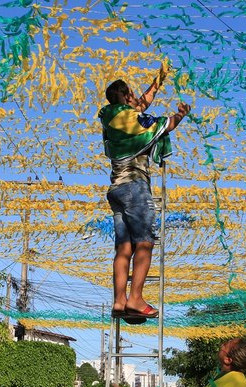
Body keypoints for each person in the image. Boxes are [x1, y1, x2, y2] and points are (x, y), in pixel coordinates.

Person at [98, 62, 191, 320]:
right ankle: (136, 299)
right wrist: (180, 115)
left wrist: (160, 78)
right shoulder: (133, 119)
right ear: (125, 96)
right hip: (135, 188)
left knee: (123, 248)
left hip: (116, 190)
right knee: (145, 243)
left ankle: (119, 300)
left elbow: (144, 102)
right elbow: (162, 125)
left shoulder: (111, 118)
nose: (136, 97)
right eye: (131, 94)